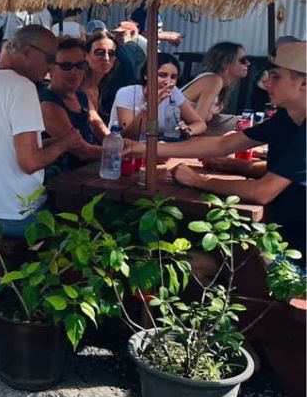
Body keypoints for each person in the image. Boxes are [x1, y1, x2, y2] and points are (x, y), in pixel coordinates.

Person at [0, 26, 85, 313]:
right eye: (49, 59)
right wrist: (66, 142)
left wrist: (51, 142)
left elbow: (2, 145)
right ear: (26, 52)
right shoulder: (23, 89)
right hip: (13, 218)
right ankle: (44, 296)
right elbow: (30, 162)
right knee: (75, 217)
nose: (50, 68)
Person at [129, 42, 306, 257]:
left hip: (295, 254)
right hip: (283, 236)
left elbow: (263, 192)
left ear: (304, 84)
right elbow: (224, 144)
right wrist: (148, 149)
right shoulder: (288, 117)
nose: (266, 83)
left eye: (276, 76)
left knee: (182, 259)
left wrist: (198, 181)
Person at [40, 37, 110, 169]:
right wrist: (121, 152)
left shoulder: (81, 95)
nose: (74, 71)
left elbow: (104, 133)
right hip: (62, 182)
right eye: (66, 66)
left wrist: (132, 147)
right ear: (50, 69)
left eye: (80, 65)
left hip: (86, 175)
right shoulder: (48, 104)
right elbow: (83, 151)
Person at [110, 52, 207, 141]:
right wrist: (150, 106)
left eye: (173, 77)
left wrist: (188, 131)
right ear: (146, 75)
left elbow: (200, 123)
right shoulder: (127, 93)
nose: (168, 82)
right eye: (162, 75)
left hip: (159, 148)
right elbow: (128, 136)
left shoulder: (173, 92)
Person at [181, 42, 250, 123]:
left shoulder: (221, 85)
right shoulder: (214, 80)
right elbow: (199, 121)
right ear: (225, 63)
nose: (248, 63)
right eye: (243, 60)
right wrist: (208, 115)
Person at [81, 30, 121, 122]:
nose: (106, 58)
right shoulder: (78, 87)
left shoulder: (107, 88)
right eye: (99, 52)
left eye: (111, 53)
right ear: (86, 56)